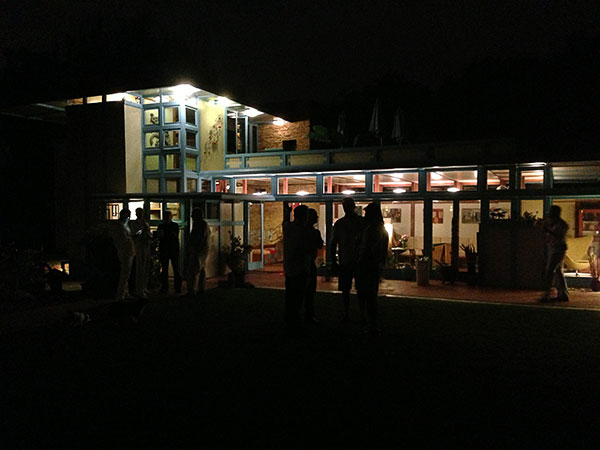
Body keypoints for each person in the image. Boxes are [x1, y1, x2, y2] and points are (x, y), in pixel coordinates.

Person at [329, 197, 364, 322]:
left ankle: (350, 312)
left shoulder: (342, 224)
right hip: (352, 260)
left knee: (351, 289)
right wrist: (333, 261)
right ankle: (354, 313)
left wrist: (333, 261)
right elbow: (333, 244)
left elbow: (333, 244)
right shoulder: (359, 222)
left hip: (352, 260)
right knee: (350, 289)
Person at [356, 202, 389, 335]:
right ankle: (370, 321)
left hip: (367, 265)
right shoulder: (381, 230)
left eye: (367, 213)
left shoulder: (371, 230)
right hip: (373, 266)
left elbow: (367, 248)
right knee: (370, 295)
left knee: (367, 294)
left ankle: (370, 322)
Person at [283, 203, 311, 333]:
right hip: (300, 267)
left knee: (290, 294)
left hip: (289, 267)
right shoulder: (303, 230)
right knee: (298, 295)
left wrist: (287, 212)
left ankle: (290, 318)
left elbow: (285, 223)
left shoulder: (289, 227)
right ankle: (295, 319)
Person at [540, 205, 569, 302]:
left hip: (558, 249)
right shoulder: (554, 223)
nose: (549, 213)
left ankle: (546, 294)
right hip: (553, 248)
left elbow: (559, 236)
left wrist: (547, 230)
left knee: (550, 271)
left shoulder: (561, 224)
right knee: (558, 271)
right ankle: (563, 294)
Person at [110, 208, 135, 301]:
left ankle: (125, 293)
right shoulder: (118, 226)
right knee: (124, 274)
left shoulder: (124, 225)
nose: (129, 217)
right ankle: (120, 295)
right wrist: (130, 238)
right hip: (125, 252)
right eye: (128, 215)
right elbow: (121, 240)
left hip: (128, 251)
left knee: (126, 273)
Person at [304, 208, 324, 322]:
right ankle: (309, 313)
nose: (317, 218)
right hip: (309, 263)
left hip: (305, 263)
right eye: (315, 216)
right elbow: (320, 245)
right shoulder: (315, 233)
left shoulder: (301, 231)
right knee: (310, 290)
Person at [186, 208, 210, 297]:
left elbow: (199, 238)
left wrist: (195, 248)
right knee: (201, 269)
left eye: (193, 215)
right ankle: (201, 288)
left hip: (198, 250)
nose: (192, 216)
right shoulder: (204, 224)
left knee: (193, 271)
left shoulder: (200, 225)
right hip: (202, 250)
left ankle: (192, 290)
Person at [157, 210, 182, 294]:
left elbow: (162, 237)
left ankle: (170, 287)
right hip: (171, 249)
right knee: (168, 269)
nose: (167, 218)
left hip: (169, 249)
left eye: (168, 216)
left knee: (173, 269)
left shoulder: (163, 226)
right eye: (166, 216)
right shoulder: (174, 225)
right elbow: (172, 236)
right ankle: (172, 287)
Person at [130, 207, 152, 298]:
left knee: (146, 266)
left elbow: (148, 233)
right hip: (140, 247)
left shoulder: (145, 222)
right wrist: (142, 233)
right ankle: (139, 289)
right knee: (140, 268)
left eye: (141, 212)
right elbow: (134, 234)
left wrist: (149, 235)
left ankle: (144, 286)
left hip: (146, 246)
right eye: (139, 213)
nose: (140, 214)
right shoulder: (135, 223)